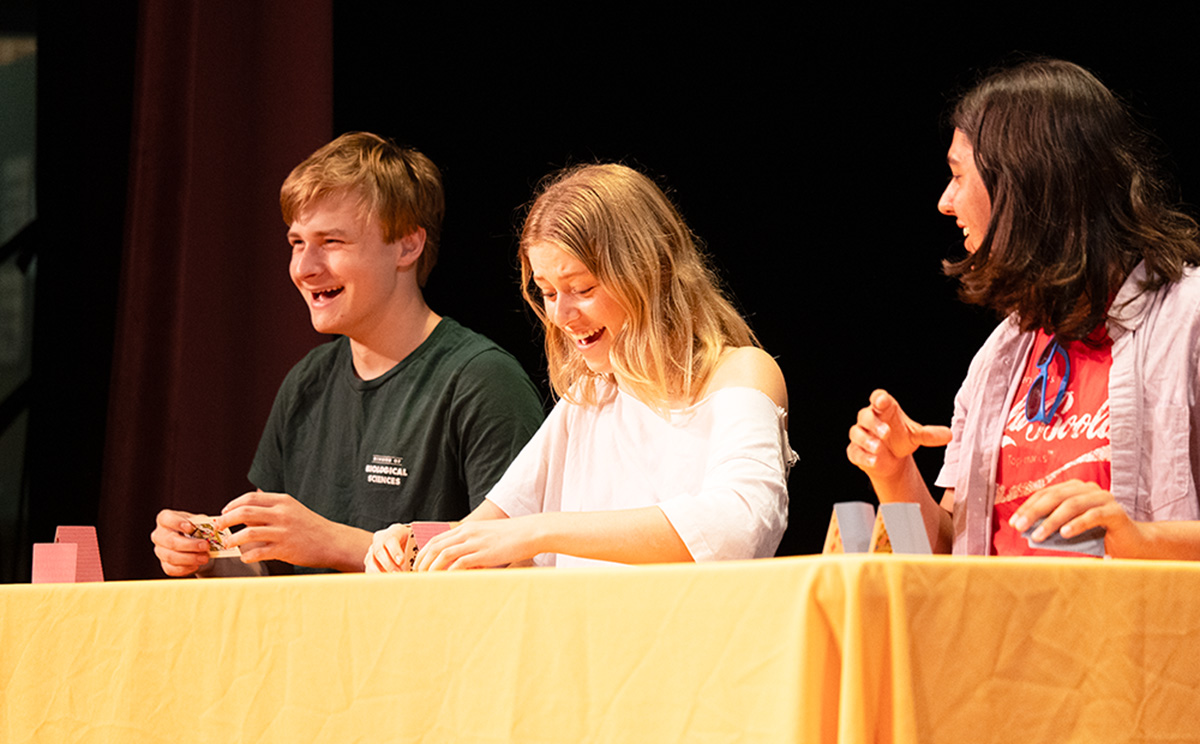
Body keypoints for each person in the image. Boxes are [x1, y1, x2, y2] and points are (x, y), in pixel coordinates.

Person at [847, 59, 1200, 558]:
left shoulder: (1189, 320)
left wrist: (1142, 542)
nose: (946, 202)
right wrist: (895, 475)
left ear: (1026, 183)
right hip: (1003, 637)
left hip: (1133, 633)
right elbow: (943, 562)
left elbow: (1137, 545)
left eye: (958, 174)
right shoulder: (1002, 355)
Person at [151, 132, 544, 575]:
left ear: (407, 246)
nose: (304, 268)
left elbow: (517, 567)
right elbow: (270, 575)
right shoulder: (307, 381)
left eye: (331, 242)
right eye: (297, 242)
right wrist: (205, 557)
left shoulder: (483, 381)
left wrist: (339, 544)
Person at [366, 163, 793, 571]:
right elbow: (488, 533)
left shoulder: (741, 371)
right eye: (547, 292)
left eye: (581, 288)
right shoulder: (590, 396)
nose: (560, 315)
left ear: (647, 271)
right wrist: (412, 543)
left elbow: (739, 524)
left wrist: (539, 532)